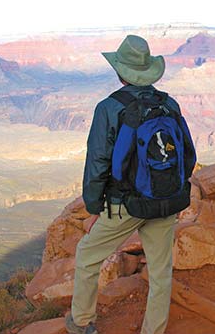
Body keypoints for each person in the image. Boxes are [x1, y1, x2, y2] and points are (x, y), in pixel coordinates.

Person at [66, 35, 190, 334]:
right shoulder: (168, 103)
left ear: (120, 72)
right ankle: (153, 330)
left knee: (87, 256)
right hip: (165, 199)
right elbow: (185, 151)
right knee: (161, 270)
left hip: (125, 204)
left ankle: (82, 322)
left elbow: (97, 163)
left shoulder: (109, 108)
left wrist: (94, 207)